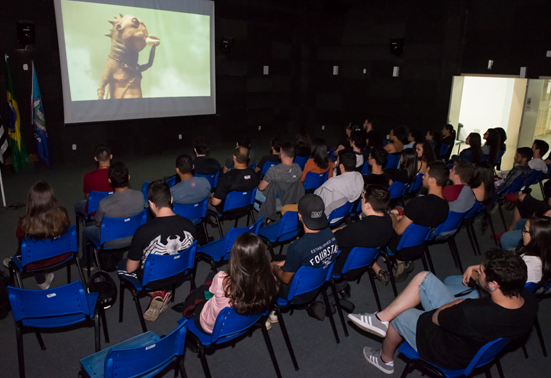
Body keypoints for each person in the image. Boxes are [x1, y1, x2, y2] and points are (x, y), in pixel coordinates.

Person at [348, 248, 537, 375]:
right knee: (425, 278)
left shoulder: (471, 312)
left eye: (480, 271)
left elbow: (438, 317)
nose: (477, 272)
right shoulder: (529, 301)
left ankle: (384, 359)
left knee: (401, 315)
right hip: (470, 338)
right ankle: (381, 318)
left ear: (494, 285)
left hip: (448, 351)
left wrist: (460, 303)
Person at [117, 180, 197, 322]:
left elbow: (130, 269)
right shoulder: (189, 225)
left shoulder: (143, 231)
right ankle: (160, 292)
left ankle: (157, 292)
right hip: (180, 274)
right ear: (171, 200)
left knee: (123, 266)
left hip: (152, 280)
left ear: (151, 204)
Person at [182, 233, 279, 333]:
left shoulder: (221, 280)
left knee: (201, 292)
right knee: (210, 282)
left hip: (212, 327)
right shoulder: (270, 279)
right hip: (245, 321)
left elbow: (211, 293)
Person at [445, 216, 551, 300]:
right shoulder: (540, 256)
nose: (522, 233)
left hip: (492, 298)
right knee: (450, 281)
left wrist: (477, 276)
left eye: (525, 231)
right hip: (500, 291)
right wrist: (477, 267)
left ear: (536, 237)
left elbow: (494, 288)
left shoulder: (528, 266)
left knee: (447, 287)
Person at [386, 161, 449, 282]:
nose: (423, 177)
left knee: (382, 222)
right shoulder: (445, 205)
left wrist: (392, 217)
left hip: (400, 247)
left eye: (425, 175)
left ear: (432, 180)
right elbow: (417, 221)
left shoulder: (419, 203)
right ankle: (401, 263)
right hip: (419, 245)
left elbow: (399, 230)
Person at [270, 194, 339, 302]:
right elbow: (308, 255)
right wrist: (284, 262)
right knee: (278, 257)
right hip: (317, 284)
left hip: (297, 293)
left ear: (300, 216)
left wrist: (274, 267)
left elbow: (285, 279)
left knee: (263, 272)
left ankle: (271, 313)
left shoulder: (297, 247)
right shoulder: (329, 233)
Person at [4, 182, 71, 289]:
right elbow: (66, 227)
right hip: (62, 255)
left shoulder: (25, 223)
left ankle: (39, 280)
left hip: (35, 261)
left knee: (26, 243)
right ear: (51, 199)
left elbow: (18, 236)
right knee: (33, 244)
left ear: (31, 202)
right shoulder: (63, 214)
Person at [81, 162, 145, 267]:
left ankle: (86, 263)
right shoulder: (140, 196)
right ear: (128, 177)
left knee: (86, 231)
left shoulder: (104, 203)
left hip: (109, 241)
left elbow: (98, 224)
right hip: (134, 237)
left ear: (110, 180)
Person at [333, 185, 393, 287]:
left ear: (368, 205)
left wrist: (334, 230)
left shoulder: (357, 229)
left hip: (343, 268)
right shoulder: (388, 221)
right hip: (363, 262)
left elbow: (332, 240)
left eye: (363, 198)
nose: (361, 200)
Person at [256, 142, 303, 220]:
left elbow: (261, 188)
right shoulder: (298, 169)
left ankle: (264, 213)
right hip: (290, 199)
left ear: (282, 155)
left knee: (253, 192)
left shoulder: (274, 170)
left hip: (274, 201)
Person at [210, 146, 260, 214]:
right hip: (247, 207)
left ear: (234, 157)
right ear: (248, 157)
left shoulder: (227, 177)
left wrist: (212, 196)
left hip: (227, 210)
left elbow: (215, 203)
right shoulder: (254, 174)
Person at [314, 151, 364, 217]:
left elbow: (316, 194)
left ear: (341, 166)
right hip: (344, 214)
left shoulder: (332, 183)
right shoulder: (359, 176)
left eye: (337, 161)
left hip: (330, 217)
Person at [74, 145, 113, 218]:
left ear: (95, 158)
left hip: (95, 211)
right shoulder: (117, 175)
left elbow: (87, 197)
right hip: (114, 208)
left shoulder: (88, 176)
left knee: (78, 205)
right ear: (111, 156)